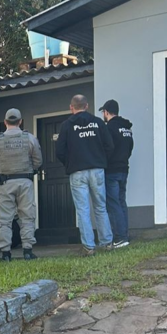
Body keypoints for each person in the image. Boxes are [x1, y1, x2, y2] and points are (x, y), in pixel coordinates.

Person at [56, 95, 115, 256]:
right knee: (101, 207)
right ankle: (107, 243)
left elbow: (59, 151)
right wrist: (101, 160)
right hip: (97, 169)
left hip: (77, 172)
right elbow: (109, 146)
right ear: (87, 106)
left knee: (83, 210)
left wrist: (70, 163)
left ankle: (89, 247)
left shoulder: (67, 125)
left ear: (71, 107)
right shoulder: (98, 123)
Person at [0, 108, 43, 262]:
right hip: (25, 181)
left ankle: (5, 253)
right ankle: (27, 251)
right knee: (27, 216)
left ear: (5, 122)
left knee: (4, 219)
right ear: (20, 121)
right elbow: (38, 161)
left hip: (5, 183)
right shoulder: (30, 139)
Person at [99, 99, 134, 248]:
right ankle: (125, 234)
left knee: (113, 205)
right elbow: (130, 148)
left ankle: (120, 237)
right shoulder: (127, 128)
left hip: (112, 170)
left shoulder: (109, 128)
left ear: (106, 112)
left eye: (103, 112)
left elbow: (107, 148)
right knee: (121, 202)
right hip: (124, 169)